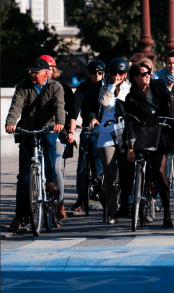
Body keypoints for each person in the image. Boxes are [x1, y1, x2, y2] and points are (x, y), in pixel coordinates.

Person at [5, 58, 65, 233]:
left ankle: (50, 180)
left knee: (48, 142)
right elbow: (16, 106)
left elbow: (59, 107)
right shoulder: (23, 86)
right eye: (30, 71)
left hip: (49, 128)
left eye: (35, 72)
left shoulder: (56, 87)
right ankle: (20, 215)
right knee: (23, 177)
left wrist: (60, 123)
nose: (31, 74)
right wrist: (10, 123)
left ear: (46, 73)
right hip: (28, 130)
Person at [125, 62, 174, 228]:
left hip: (159, 133)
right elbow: (129, 123)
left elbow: (170, 107)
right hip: (141, 133)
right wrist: (130, 148)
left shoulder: (158, 86)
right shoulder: (131, 96)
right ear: (135, 78)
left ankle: (167, 213)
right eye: (143, 74)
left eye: (148, 72)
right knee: (126, 164)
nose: (147, 75)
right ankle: (128, 203)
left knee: (159, 171)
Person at [95, 58, 132, 224]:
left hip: (125, 133)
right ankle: (111, 211)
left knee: (126, 172)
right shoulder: (104, 87)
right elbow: (104, 102)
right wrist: (111, 86)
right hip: (107, 134)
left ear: (125, 74)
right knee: (110, 176)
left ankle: (128, 204)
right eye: (115, 73)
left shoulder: (130, 88)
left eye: (121, 73)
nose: (118, 76)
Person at [38, 55, 75, 220]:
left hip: (57, 130)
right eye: (45, 68)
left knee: (55, 166)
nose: (49, 71)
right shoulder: (33, 87)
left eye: (51, 68)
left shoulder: (63, 88)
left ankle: (60, 203)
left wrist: (69, 129)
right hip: (38, 129)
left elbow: (70, 110)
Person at [69, 60, 105, 212]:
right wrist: (71, 129)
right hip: (87, 126)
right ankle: (82, 198)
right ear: (88, 74)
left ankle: (99, 184)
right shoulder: (83, 87)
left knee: (98, 150)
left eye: (100, 73)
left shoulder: (106, 87)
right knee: (82, 163)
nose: (97, 76)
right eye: (94, 73)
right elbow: (75, 108)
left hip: (105, 128)